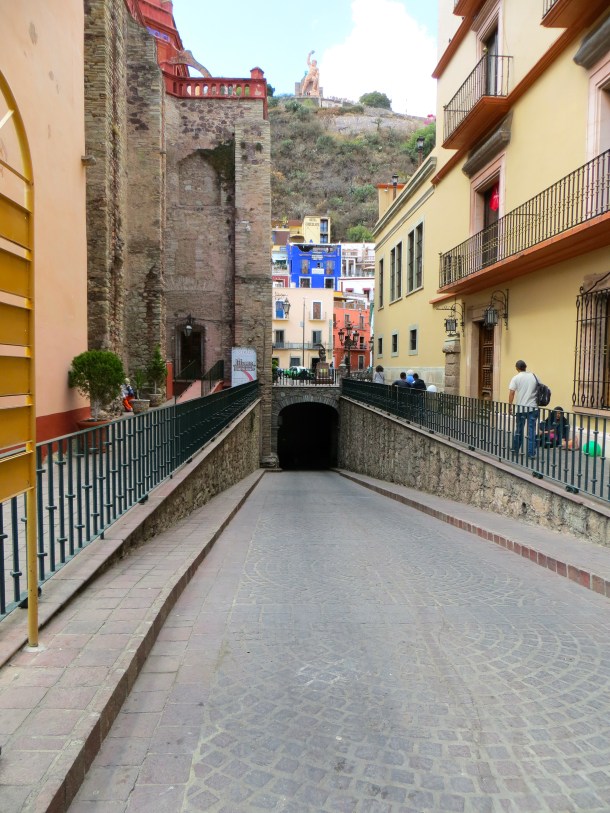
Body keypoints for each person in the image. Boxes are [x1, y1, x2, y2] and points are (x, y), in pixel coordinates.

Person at [508, 359, 539, 458]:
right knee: (531, 431)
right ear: (525, 367)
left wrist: (510, 405)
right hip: (533, 407)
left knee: (519, 430)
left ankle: (515, 449)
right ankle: (531, 453)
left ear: (517, 368)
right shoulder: (534, 376)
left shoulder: (516, 378)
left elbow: (512, 393)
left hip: (521, 408)